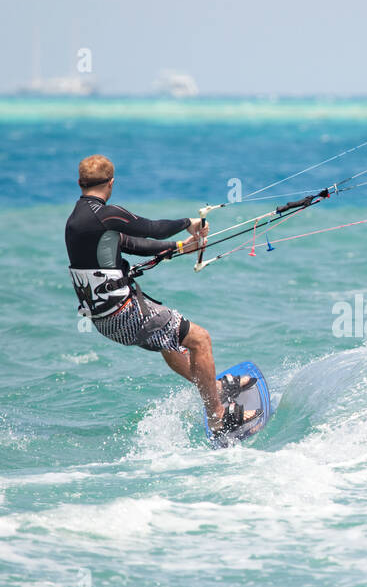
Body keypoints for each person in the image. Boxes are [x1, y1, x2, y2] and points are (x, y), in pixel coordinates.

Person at [64, 155, 257, 432]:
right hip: (124, 313)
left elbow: (130, 243)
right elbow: (149, 229)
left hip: (104, 320)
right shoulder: (105, 214)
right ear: (111, 183)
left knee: (169, 340)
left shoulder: (77, 220)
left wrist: (179, 247)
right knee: (199, 339)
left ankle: (213, 387)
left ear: (80, 183)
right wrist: (187, 222)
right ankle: (218, 416)